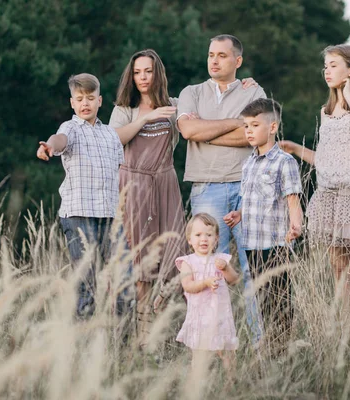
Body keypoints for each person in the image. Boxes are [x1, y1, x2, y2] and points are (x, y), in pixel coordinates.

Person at [109, 49, 257, 348]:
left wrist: (240, 84)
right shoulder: (124, 108)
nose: (143, 78)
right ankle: (139, 338)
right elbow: (115, 139)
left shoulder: (175, 105)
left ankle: (161, 333)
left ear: (157, 73)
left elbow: (201, 123)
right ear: (131, 75)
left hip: (164, 185)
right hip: (133, 185)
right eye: (137, 72)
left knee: (171, 257)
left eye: (148, 71)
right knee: (140, 263)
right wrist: (147, 116)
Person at [279, 44, 350, 308]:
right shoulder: (325, 113)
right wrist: (294, 149)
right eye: (325, 66)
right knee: (340, 272)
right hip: (329, 198)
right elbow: (325, 161)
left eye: (333, 65)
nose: (327, 71)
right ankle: (346, 331)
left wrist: (348, 94)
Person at [176, 34, 267, 345]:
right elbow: (188, 130)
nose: (214, 60)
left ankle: (258, 343)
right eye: (211, 55)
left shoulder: (253, 90)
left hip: (247, 189)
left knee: (252, 269)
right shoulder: (191, 92)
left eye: (222, 56)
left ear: (237, 61)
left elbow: (255, 134)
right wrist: (234, 122)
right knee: (207, 270)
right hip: (207, 188)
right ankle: (209, 345)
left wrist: (208, 133)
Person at [36, 73, 124, 318]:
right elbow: (60, 140)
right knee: (87, 280)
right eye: (79, 98)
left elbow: (117, 173)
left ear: (100, 101)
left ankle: (119, 340)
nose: (85, 103)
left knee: (120, 278)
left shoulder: (111, 135)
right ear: (72, 103)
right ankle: (83, 339)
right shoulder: (70, 128)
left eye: (90, 98)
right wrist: (50, 147)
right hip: (79, 214)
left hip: (108, 216)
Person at [224, 98, 303, 352]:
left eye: (254, 125)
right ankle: (270, 347)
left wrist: (296, 225)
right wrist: (239, 214)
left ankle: (283, 349)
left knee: (280, 300)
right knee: (264, 299)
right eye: (246, 126)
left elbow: (292, 198)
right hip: (253, 244)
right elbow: (250, 199)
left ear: (272, 127)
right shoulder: (248, 164)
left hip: (277, 242)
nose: (248, 131)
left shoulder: (284, 162)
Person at [176, 213, 240, 374]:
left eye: (209, 235)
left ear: (216, 238)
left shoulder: (220, 259)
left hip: (220, 316)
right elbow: (188, 286)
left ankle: (231, 383)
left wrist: (225, 268)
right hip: (199, 317)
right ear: (189, 239)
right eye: (198, 235)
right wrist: (205, 282)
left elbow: (234, 280)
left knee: (227, 352)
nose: (204, 239)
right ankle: (197, 384)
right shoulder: (187, 262)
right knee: (199, 355)